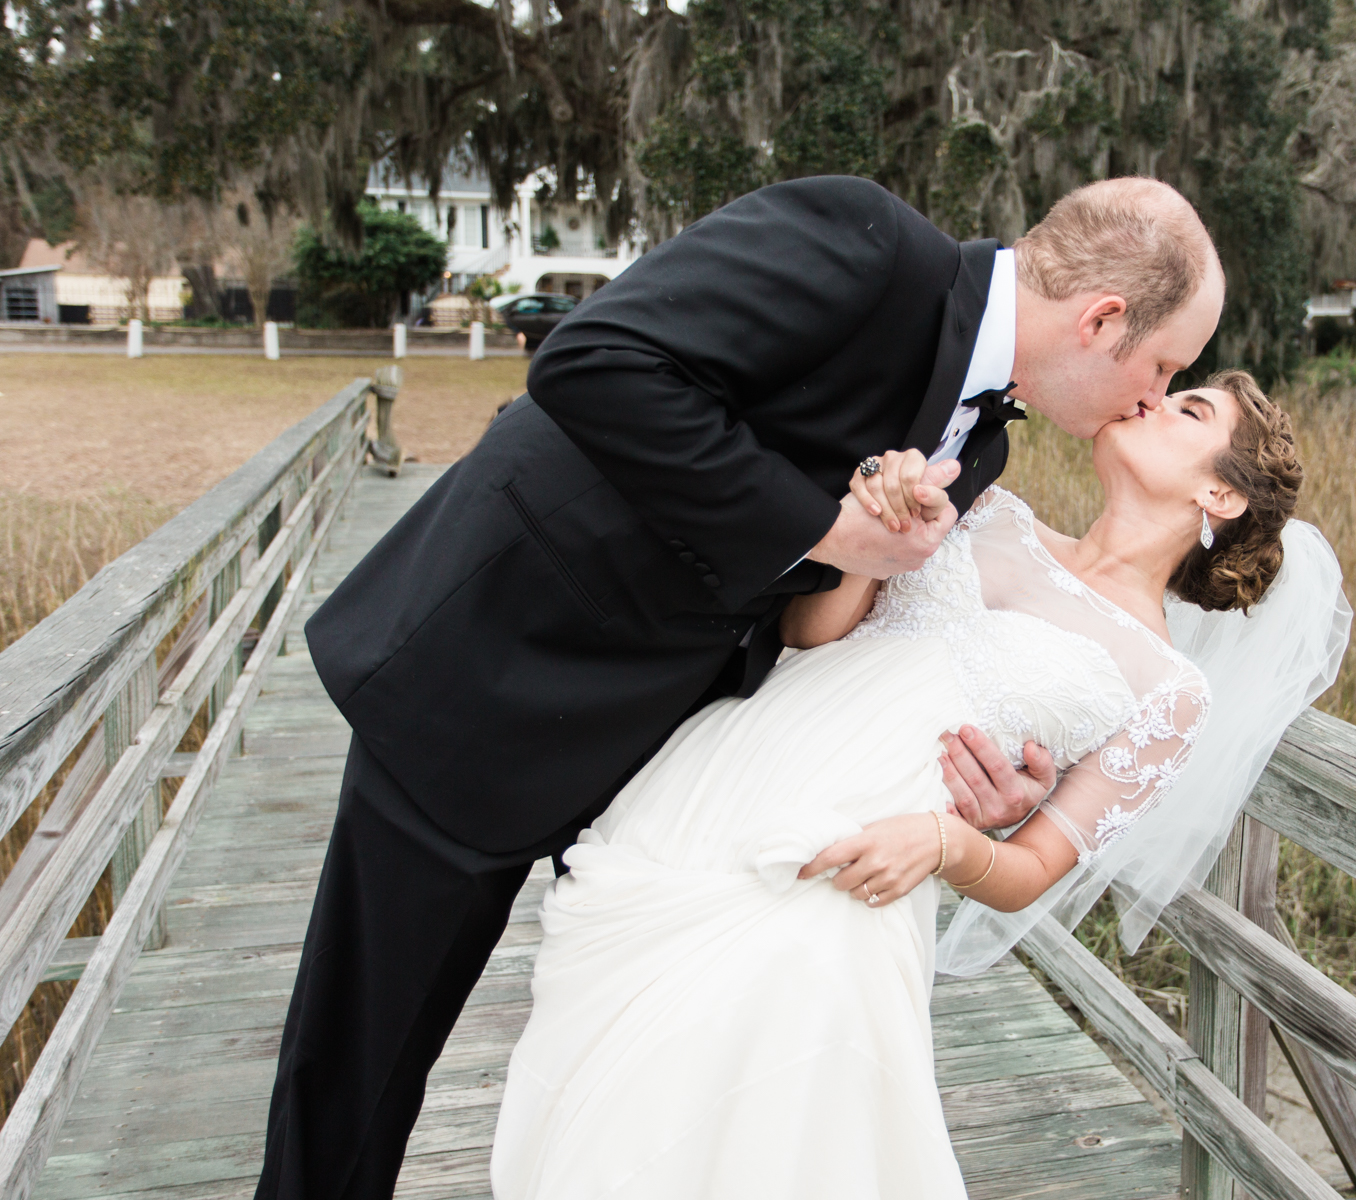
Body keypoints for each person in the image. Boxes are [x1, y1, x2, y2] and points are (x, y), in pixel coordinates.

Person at [257, 175, 1224, 1200]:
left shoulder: (981, 441)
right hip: (499, 677)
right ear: (1104, 319)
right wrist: (825, 528)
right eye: (1164, 365)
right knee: (363, 1061)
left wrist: (990, 790)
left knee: (647, 1090)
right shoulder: (863, 245)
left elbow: (867, 638)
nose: (1154, 396)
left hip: (682, 767)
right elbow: (593, 362)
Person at [487, 371, 1348, 1198]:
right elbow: (814, 633)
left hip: (862, 860)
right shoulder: (991, 513)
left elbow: (1032, 872)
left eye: (1190, 410)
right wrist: (875, 526)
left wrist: (944, 842)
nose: (1156, 398)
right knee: (623, 1085)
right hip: (726, 772)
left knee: (760, 1118)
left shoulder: (1167, 689)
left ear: (1221, 497)